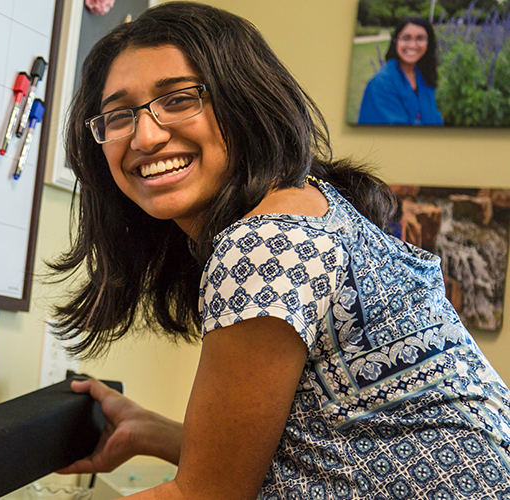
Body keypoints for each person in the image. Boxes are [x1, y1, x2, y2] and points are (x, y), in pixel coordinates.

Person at [49, 2, 509, 498]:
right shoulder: (309, 204)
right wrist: (156, 433)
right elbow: (331, 452)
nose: (145, 135)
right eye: (119, 116)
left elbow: (205, 496)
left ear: (244, 100)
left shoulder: (266, 244)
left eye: (179, 99)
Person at [357, 17, 443, 125]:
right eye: (406, 38)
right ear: (395, 41)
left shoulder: (423, 76)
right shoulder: (380, 84)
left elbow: (434, 117)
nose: (412, 45)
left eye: (420, 38)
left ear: (428, 44)